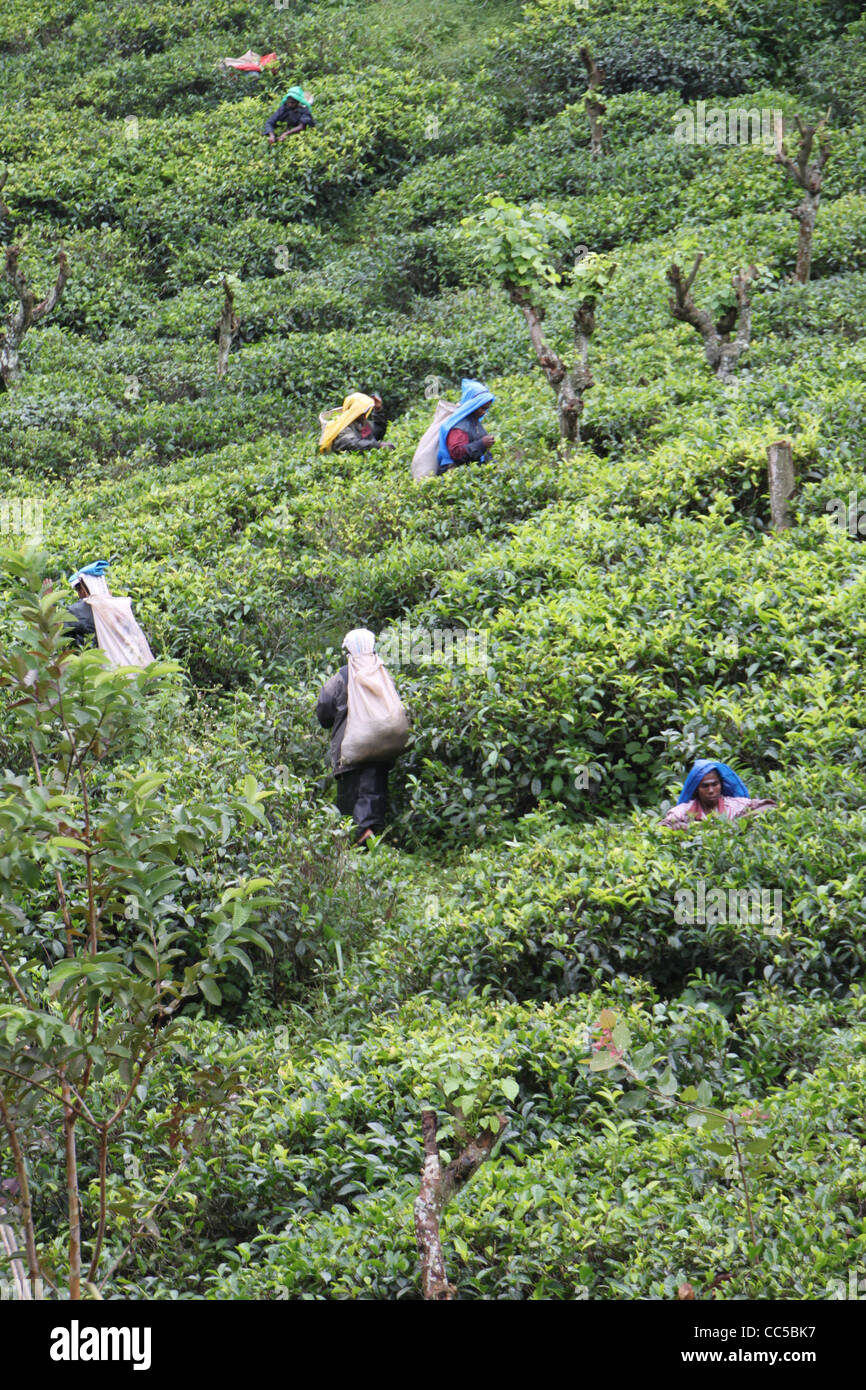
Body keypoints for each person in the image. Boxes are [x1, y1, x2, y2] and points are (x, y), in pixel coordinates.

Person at [315, 629, 394, 848]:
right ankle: (373, 847)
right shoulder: (383, 672)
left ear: (348, 650)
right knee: (373, 798)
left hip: (349, 752)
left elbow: (324, 709)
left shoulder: (342, 676)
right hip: (381, 749)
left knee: (349, 804)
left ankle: (354, 848)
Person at [62, 560, 154, 668]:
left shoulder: (81, 609)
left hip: (105, 672)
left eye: (79, 590)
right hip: (135, 666)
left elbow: (55, 627)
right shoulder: (119, 604)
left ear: (83, 589)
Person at [661, 759, 776, 829]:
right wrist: (681, 827)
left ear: (721, 785)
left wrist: (738, 822)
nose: (711, 790)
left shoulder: (734, 805)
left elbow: (770, 806)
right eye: (705, 786)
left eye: (715, 784)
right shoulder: (684, 811)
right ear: (696, 789)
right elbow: (661, 827)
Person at [436, 378, 495, 474]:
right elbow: (457, 454)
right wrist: (481, 444)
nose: (484, 412)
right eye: (482, 408)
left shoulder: (474, 421)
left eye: (486, 409)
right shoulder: (459, 425)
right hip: (454, 473)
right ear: (474, 405)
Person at [319, 392, 394, 454]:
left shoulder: (362, 423)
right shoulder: (341, 427)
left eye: (366, 410)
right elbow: (352, 444)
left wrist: (378, 410)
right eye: (362, 411)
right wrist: (378, 445)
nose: (365, 414)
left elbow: (378, 433)